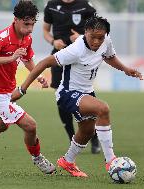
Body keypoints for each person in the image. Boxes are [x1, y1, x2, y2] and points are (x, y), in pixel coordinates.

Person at [11, 14, 143, 177]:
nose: (96, 42)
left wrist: (125, 69)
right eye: (93, 37)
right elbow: (44, 63)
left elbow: (109, 57)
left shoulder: (105, 41)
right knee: (103, 109)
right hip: (68, 93)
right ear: (86, 32)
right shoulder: (76, 50)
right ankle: (111, 161)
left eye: (100, 38)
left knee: (87, 130)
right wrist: (22, 88)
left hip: (86, 92)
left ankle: (67, 161)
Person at [0, 0, 56, 174]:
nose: (30, 29)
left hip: (8, 92)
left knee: (1, 125)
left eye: (32, 24)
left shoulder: (26, 38)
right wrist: (11, 58)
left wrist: (38, 77)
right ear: (16, 19)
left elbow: (28, 59)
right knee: (30, 125)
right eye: (26, 24)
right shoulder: (1, 37)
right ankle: (37, 158)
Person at [43, 0, 101, 154]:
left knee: (85, 98)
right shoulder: (51, 5)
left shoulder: (85, 5)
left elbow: (98, 30)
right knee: (61, 99)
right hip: (60, 56)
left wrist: (82, 37)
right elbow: (45, 31)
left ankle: (94, 138)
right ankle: (72, 138)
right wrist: (53, 42)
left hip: (81, 57)